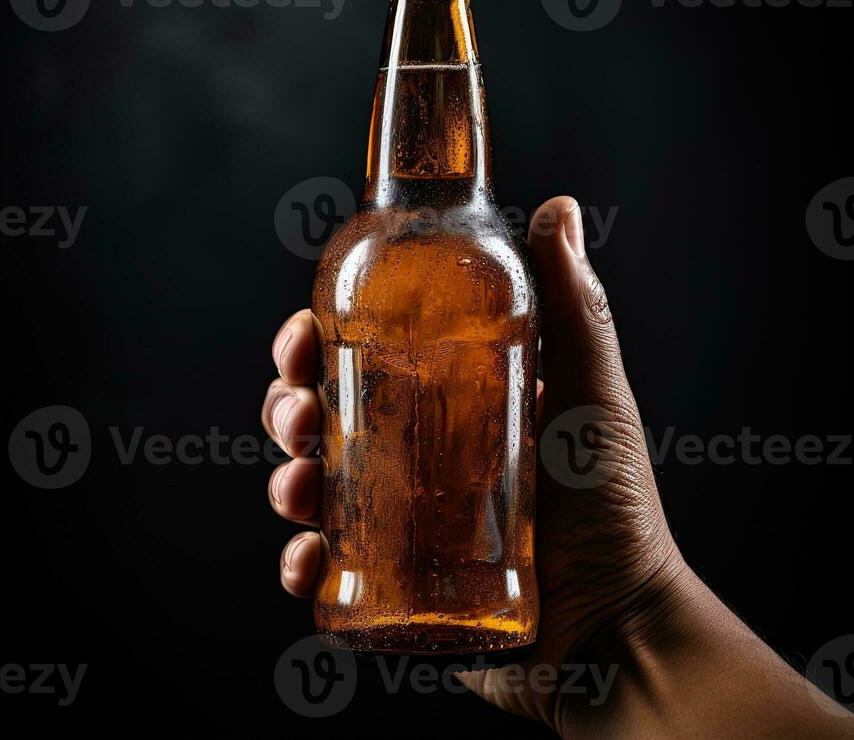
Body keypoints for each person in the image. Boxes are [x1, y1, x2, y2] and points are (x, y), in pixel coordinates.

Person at [263, 196, 854, 738]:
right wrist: (610, 640)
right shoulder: (363, 252)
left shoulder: (491, 255)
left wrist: (615, 617)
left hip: (536, 606)